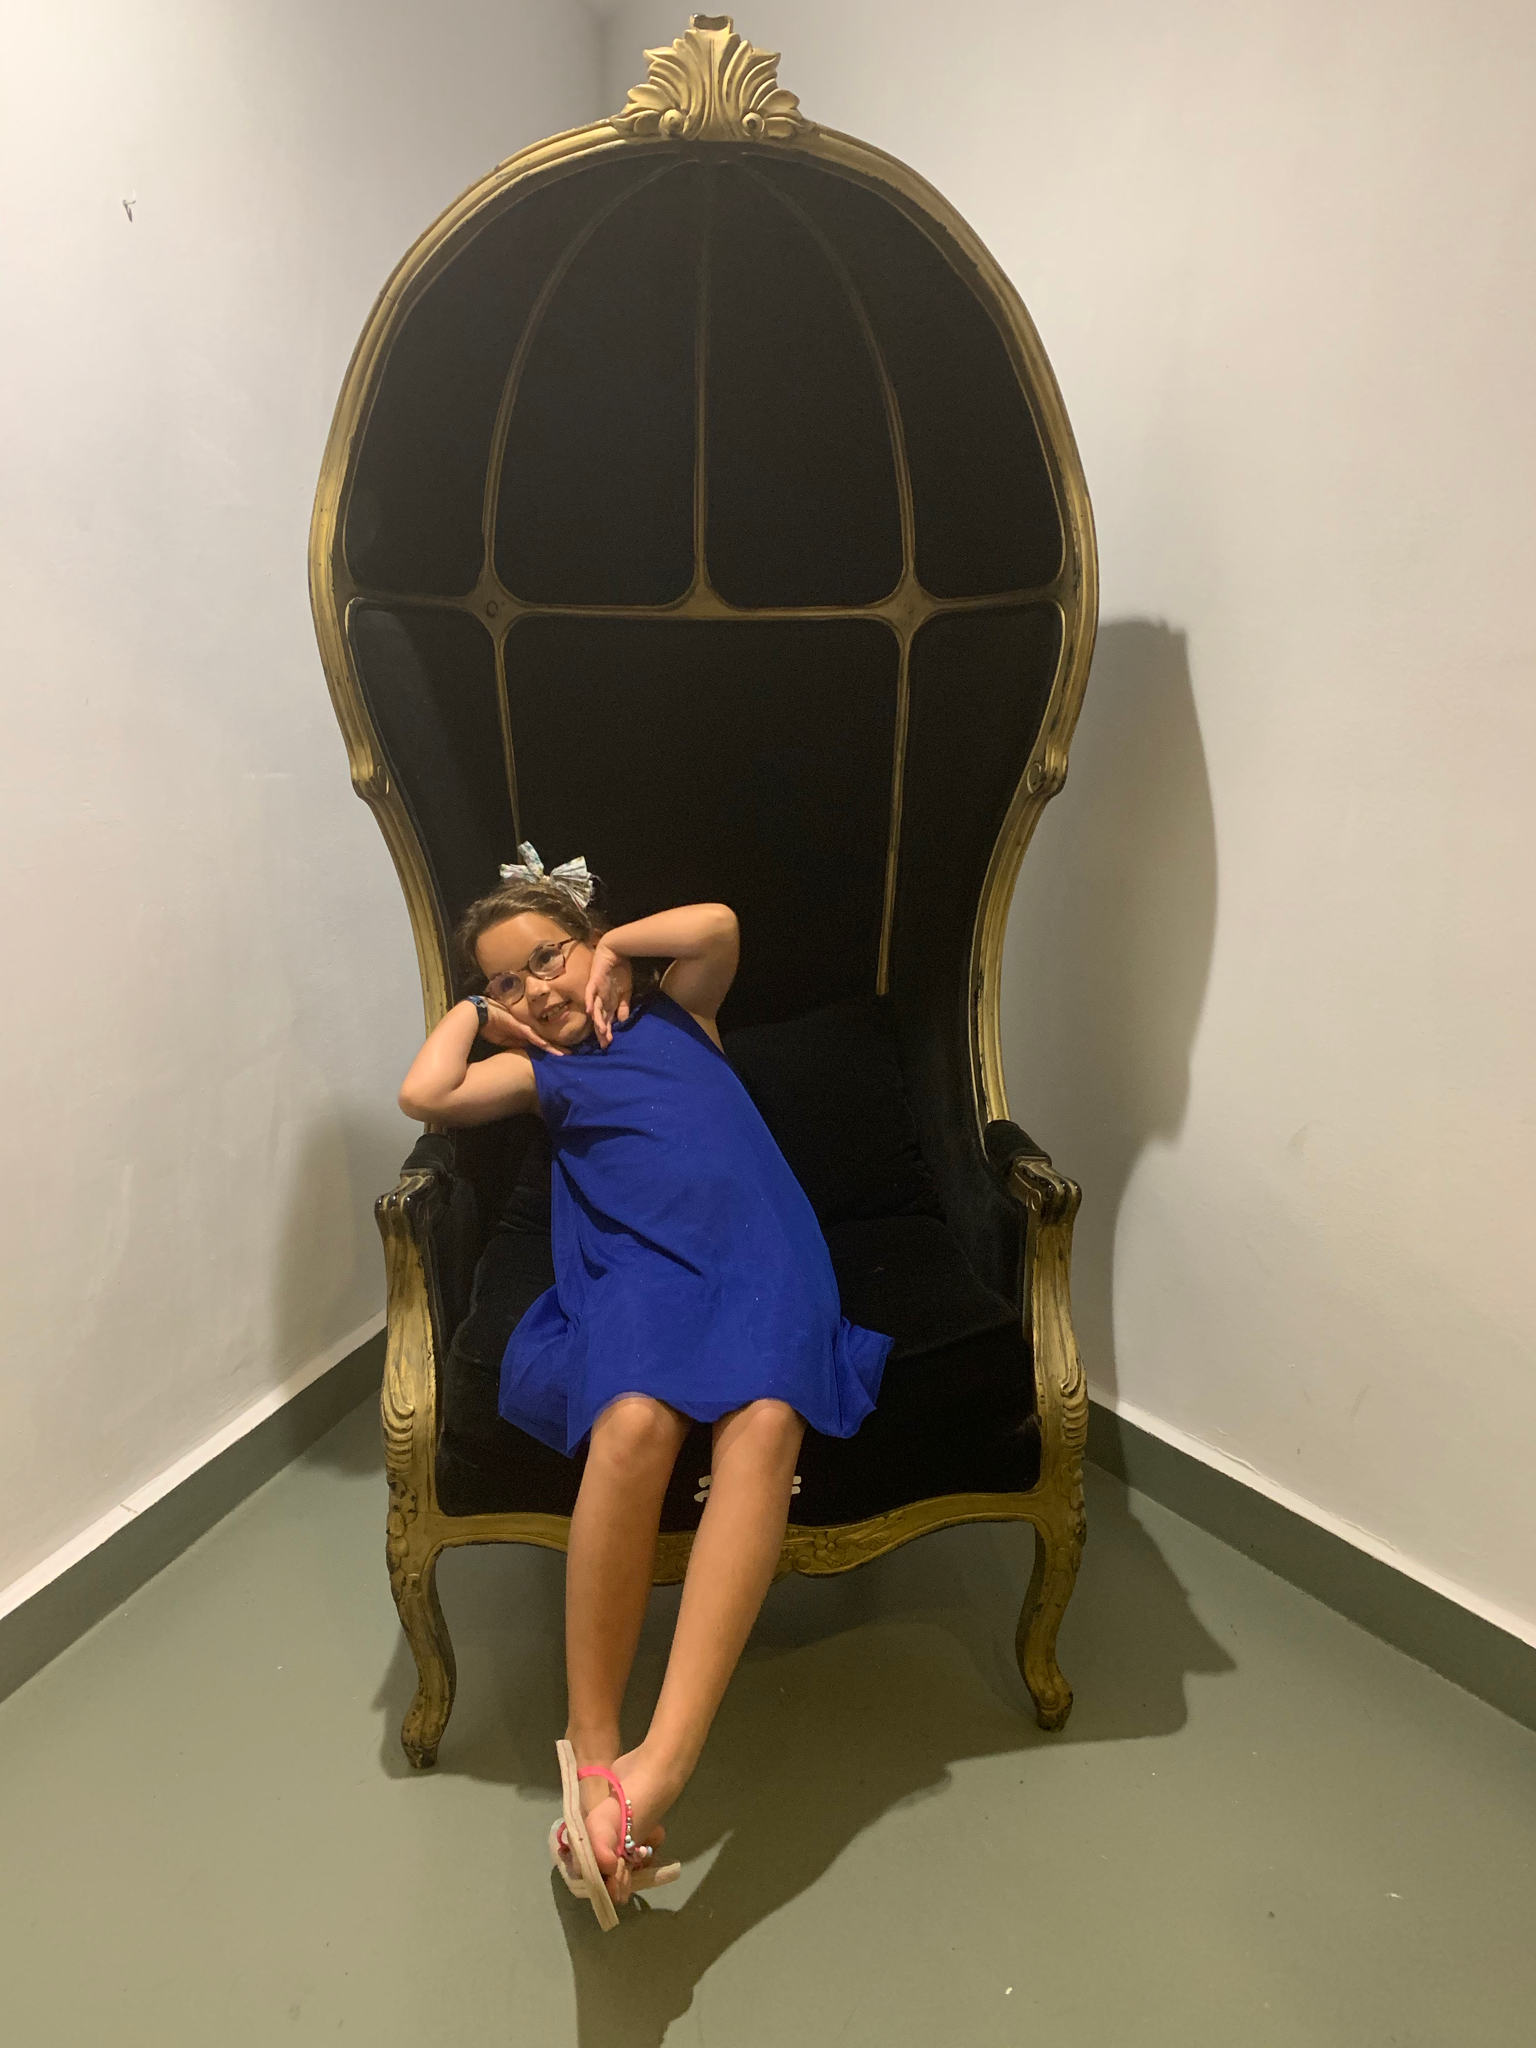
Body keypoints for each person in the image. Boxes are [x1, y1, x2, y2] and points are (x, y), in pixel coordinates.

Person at [397, 846, 890, 1929]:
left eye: (548, 958)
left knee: (768, 1416)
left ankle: (661, 1763)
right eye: (507, 979)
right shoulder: (543, 1073)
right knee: (630, 1421)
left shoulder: (678, 1013)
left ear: (590, 943)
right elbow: (424, 1092)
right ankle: (595, 1749)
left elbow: (716, 923)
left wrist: (615, 949)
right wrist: (479, 1015)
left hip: (759, 1252)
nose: (536, 988)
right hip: (638, 1265)